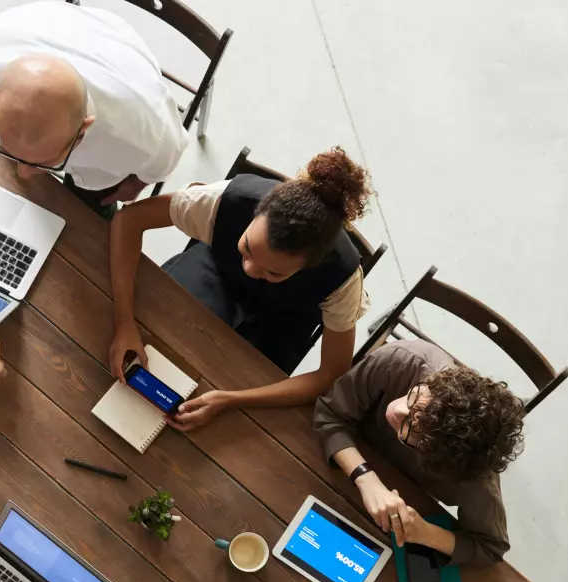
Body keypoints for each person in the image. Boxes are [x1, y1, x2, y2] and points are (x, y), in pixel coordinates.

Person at [0, 1, 187, 378]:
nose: (23, 175)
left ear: (84, 129)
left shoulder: (146, 138)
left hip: (116, 67)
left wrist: (129, 187)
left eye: (42, 163)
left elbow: (151, 172)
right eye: (6, 149)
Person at [109, 147, 373, 429]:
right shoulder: (224, 201)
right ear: (256, 212)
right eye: (247, 248)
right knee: (162, 332)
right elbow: (128, 220)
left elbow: (331, 373)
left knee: (238, 386)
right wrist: (124, 321)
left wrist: (231, 400)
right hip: (216, 270)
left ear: (309, 266)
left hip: (287, 317)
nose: (250, 269)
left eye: (273, 271)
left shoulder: (341, 279)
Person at [312, 339, 525, 565]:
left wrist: (425, 533)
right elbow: (329, 414)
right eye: (414, 399)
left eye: (411, 428)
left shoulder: (474, 475)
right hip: (336, 464)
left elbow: (490, 547)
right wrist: (366, 479)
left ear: (436, 457)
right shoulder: (403, 360)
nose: (396, 409)